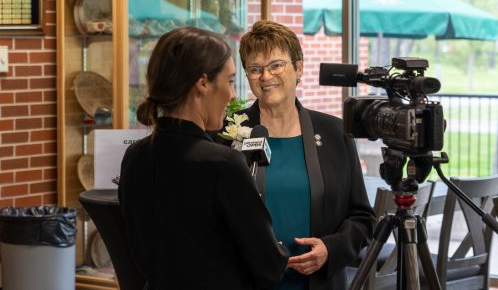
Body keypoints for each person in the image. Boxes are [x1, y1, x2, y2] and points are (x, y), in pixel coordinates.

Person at [119, 26, 289, 289]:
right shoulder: (222, 164)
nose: (233, 95)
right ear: (203, 83)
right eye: (230, 81)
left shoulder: (135, 157)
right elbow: (269, 266)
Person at [232, 20, 375, 289]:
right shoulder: (229, 133)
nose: (266, 76)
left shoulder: (334, 132)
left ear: (298, 68)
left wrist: (330, 249)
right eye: (255, 69)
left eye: (276, 65)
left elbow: (363, 218)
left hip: (319, 283)